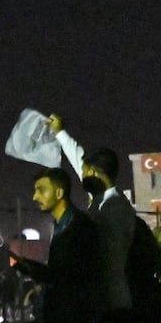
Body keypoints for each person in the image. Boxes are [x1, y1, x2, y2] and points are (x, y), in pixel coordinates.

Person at [48, 113, 135, 312]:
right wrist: (60, 132)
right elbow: (78, 158)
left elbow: (107, 258)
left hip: (111, 301)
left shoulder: (115, 207)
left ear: (95, 173)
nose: (82, 175)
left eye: (85, 172)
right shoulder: (102, 198)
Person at [12, 167, 102, 323]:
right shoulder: (64, 224)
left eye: (41, 190)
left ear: (59, 193)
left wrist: (31, 268)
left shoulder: (78, 227)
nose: (35, 196)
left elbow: (67, 276)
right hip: (65, 320)